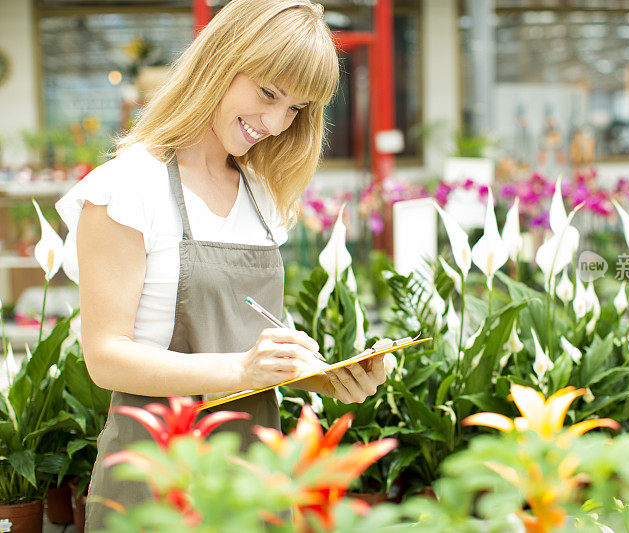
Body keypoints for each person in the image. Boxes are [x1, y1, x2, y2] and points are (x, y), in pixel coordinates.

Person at [55, 1, 387, 530]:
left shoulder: (260, 195)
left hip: (254, 471)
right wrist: (241, 369)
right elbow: (106, 358)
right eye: (268, 93)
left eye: (296, 109)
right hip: (159, 475)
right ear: (219, 61)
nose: (277, 124)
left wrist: (312, 374)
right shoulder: (126, 188)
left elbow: (246, 336)